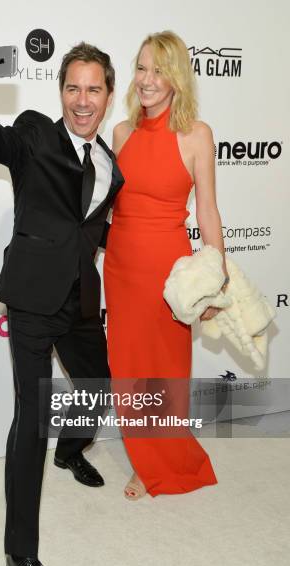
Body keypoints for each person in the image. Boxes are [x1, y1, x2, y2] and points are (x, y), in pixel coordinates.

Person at [0, 40, 124, 566]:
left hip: (79, 301)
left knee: (99, 389)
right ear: (60, 92)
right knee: (31, 420)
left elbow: (92, 234)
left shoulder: (110, 168)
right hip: (29, 300)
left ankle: (71, 453)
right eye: (73, 87)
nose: (82, 99)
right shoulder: (34, 133)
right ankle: (20, 555)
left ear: (108, 96)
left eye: (94, 89)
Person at [104, 31, 226, 501]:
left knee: (167, 370)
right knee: (129, 370)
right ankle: (144, 460)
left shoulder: (197, 134)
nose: (147, 79)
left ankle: (168, 459)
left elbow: (209, 212)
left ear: (176, 77)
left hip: (169, 273)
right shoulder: (121, 133)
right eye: (141, 68)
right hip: (121, 266)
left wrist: (217, 282)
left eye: (158, 70)